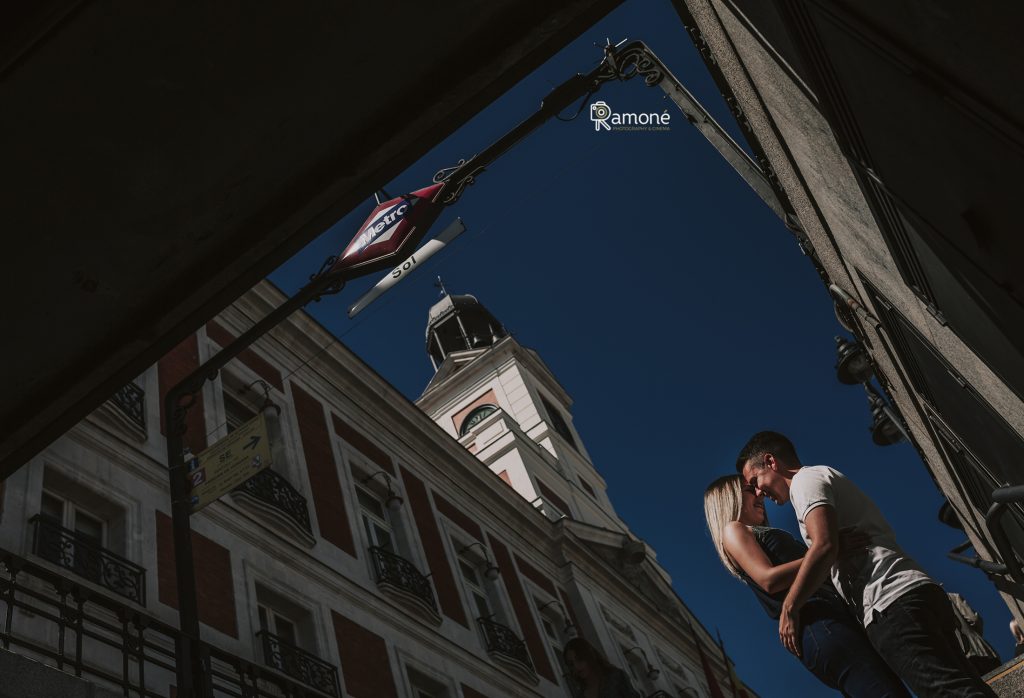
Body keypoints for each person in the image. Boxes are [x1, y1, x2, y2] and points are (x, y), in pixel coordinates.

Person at [737, 430, 997, 697]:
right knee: (967, 687)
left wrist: (790, 608)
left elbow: (824, 546)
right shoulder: (820, 476)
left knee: (947, 692)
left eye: (755, 480)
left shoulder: (803, 482)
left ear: (771, 462)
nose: (758, 492)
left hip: (889, 602)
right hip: (912, 591)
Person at [704, 474, 909, 696]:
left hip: (830, 622)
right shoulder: (733, 529)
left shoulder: (755, 532)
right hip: (819, 623)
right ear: (730, 498)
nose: (759, 493)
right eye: (749, 489)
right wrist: (827, 551)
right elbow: (768, 579)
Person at [563, 636, 640, 698]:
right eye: (571, 664)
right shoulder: (580, 696)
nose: (576, 666)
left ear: (589, 657)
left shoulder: (615, 677)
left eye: (579, 659)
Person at [948, 592, 1001, 675]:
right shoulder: (952, 597)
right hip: (978, 649)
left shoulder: (927, 610)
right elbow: (974, 619)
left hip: (959, 660)